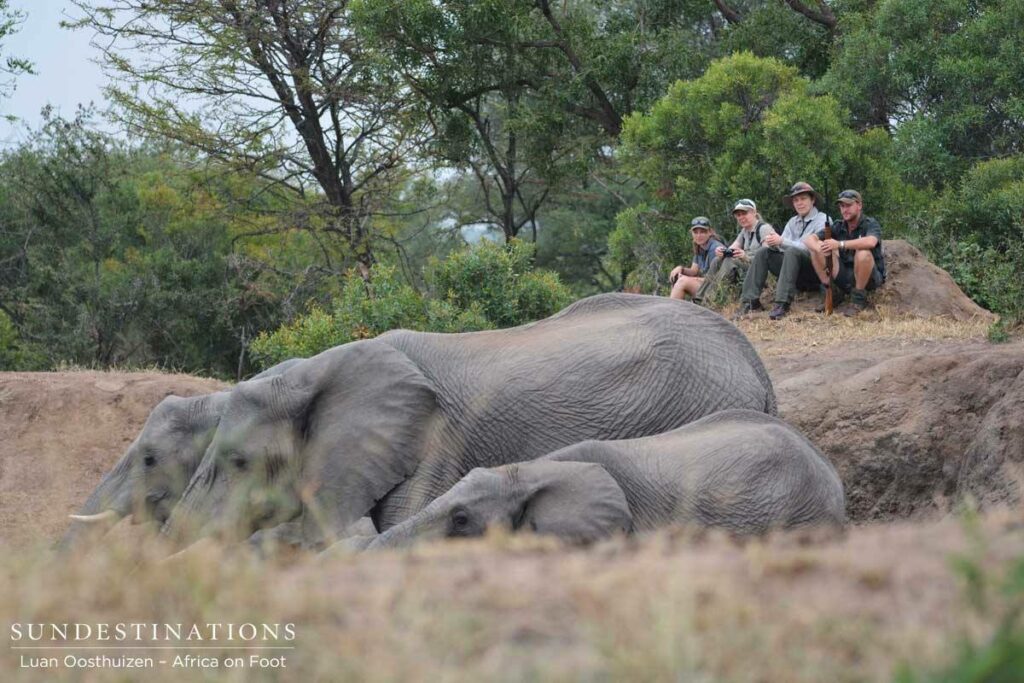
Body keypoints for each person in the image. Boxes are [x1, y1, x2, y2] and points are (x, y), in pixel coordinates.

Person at [734, 181, 829, 320]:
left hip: (814, 272)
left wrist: (782, 242)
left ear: (812, 200)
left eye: (803, 199)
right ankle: (750, 301)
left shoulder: (823, 220)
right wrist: (773, 243)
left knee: (792, 251)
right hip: (793, 272)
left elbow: (812, 248)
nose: (799, 203)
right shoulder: (792, 222)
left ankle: (782, 303)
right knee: (763, 252)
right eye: (796, 200)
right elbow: (781, 245)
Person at [805, 189, 886, 316]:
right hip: (846, 276)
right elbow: (809, 239)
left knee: (863, 253)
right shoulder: (838, 225)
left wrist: (840, 244)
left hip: (869, 278)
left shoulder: (870, 223)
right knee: (818, 249)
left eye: (848, 205)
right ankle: (832, 292)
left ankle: (858, 300)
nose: (844, 209)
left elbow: (871, 242)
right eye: (842, 206)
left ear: (859, 205)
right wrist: (819, 249)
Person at [693, 198, 774, 305]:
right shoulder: (744, 231)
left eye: (744, 213)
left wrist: (745, 256)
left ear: (754, 212)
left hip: (763, 271)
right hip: (749, 267)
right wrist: (721, 252)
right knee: (718, 260)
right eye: (738, 215)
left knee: (730, 261)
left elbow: (767, 256)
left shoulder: (764, 229)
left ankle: (710, 300)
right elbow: (731, 248)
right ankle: (699, 298)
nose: (741, 217)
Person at [668, 216, 725, 301]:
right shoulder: (700, 246)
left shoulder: (715, 248)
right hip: (707, 285)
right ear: (692, 233)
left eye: (702, 232)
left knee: (682, 282)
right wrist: (681, 269)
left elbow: (714, 279)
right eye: (695, 232)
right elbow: (694, 271)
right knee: (678, 278)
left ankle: (671, 312)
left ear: (710, 232)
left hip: (719, 289)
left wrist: (686, 279)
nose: (698, 236)